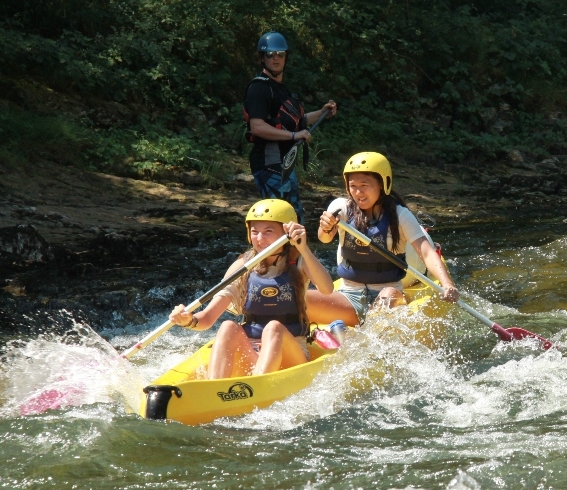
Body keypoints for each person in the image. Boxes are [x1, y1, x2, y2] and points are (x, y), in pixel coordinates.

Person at [169, 199, 334, 378]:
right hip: (253, 351)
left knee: (273, 328)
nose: (260, 239)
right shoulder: (243, 266)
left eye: (268, 231)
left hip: (291, 352)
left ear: (287, 232)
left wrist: (304, 249)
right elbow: (208, 318)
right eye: (255, 232)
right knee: (228, 326)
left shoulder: (300, 260)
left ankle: (258, 385)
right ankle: (214, 386)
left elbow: (327, 288)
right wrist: (188, 320)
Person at [308, 152, 459, 326]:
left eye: (364, 185)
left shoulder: (401, 215)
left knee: (388, 295)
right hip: (349, 297)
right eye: (353, 186)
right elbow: (324, 239)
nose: (358, 192)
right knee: (301, 299)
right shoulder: (340, 207)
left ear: (382, 184)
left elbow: (426, 252)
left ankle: (366, 333)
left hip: (387, 294)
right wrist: (326, 227)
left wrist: (447, 283)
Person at [243, 31, 337, 222]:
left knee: (294, 218)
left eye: (280, 54)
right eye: (270, 54)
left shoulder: (282, 89)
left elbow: (298, 122)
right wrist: (294, 136)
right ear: (262, 58)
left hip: (283, 164)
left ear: (286, 57)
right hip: (269, 163)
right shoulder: (258, 89)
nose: (275, 58)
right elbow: (257, 127)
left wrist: (322, 113)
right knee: (282, 220)